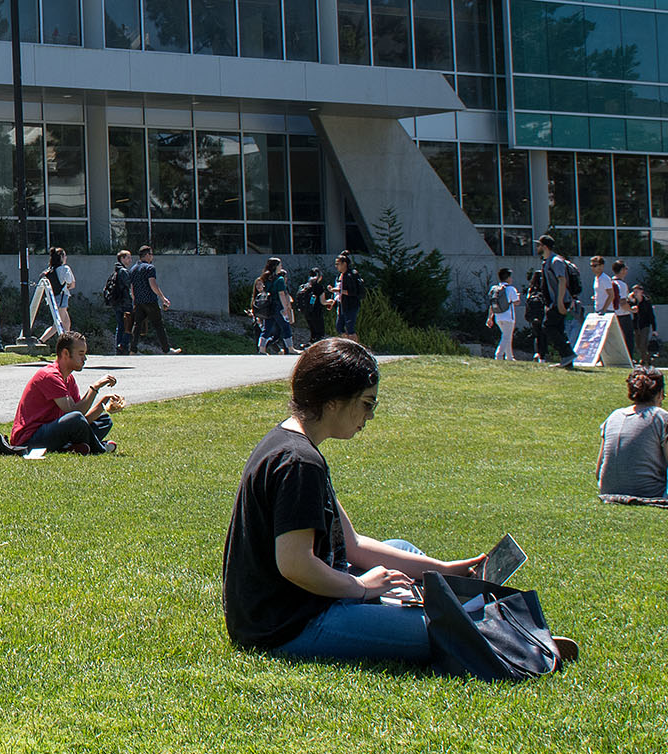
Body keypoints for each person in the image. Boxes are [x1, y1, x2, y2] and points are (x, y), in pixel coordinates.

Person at [221, 338, 577, 665]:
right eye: (366, 403)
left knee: (403, 550)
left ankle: (463, 609)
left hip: (293, 607)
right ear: (333, 400)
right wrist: (362, 588)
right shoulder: (299, 463)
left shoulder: (293, 443)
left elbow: (354, 545)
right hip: (287, 626)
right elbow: (295, 565)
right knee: (440, 630)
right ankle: (496, 634)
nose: (370, 416)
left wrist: (443, 569)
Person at [8, 331, 119, 454]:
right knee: (75, 419)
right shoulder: (49, 375)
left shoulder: (68, 379)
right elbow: (74, 413)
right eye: (81, 354)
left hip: (53, 431)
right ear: (66, 353)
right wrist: (94, 387)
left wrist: (102, 404)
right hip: (29, 439)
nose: (85, 359)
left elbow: (82, 417)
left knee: (104, 420)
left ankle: (71, 447)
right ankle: (99, 448)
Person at [598, 368, 667, 499]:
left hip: (608, 490)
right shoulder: (661, 417)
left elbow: (599, 470)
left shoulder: (614, 416)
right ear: (660, 394)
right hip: (650, 493)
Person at [129, 245, 181, 354]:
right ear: (147, 255)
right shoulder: (149, 268)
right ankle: (166, 349)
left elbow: (132, 287)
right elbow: (152, 284)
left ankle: (133, 350)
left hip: (139, 301)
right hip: (150, 300)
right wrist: (163, 298)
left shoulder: (133, 269)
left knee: (137, 325)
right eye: (151, 254)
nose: (152, 257)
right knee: (158, 324)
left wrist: (135, 300)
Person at [536, 236, 575, 366]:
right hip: (555, 301)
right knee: (558, 328)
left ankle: (568, 354)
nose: (537, 248)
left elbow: (562, 281)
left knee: (548, 326)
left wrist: (559, 302)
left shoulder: (556, 261)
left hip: (560, 301)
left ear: (545, 247)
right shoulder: (547, 261)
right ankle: (567, 360)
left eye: (539, 245)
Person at [34, 248, 75, 347]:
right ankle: (40, 341)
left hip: (53, 298)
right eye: (64, 256)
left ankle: (67, 344)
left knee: (66, 323)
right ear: (61, 257)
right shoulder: (65, 269)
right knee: (57, 324)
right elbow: (71, 284)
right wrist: (68, 286)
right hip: (62, 298)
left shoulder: (49, 270)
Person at [251, 258, 293, 355]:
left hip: (268, 306)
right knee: (285, 326)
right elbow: (281, 294)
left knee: (267, 328)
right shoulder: (280, 279)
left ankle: (261, 349)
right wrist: (285, 308)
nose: (281, 267)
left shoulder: (265, 278)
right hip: (278, 306)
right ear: (276, 266)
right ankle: (290, 348)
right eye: (280, 265)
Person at [323, 251, 363, 346]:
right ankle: (347, 345)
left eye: (338, 264)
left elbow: (352, 291)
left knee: (350, 328)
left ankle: (356, 346)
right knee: (339, 327)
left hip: (351, 305)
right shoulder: (340, 275)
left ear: (344, 264)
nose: (336, 266)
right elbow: (339, 291)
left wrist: (337, 290)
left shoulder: (350, 275)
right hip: (342, 305)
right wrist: (333, 296)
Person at [485, 267, 520, 361]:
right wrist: (518, 297)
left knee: (507, 336)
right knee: (506, 337)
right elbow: (516, 302)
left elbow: (492, 304)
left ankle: (509, 357)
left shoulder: (495, 289)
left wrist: (489, 318)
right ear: (508, 278)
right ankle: (499, 355)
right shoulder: (511, 289)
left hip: (498, 316)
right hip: (508, 317)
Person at [108, 249, 137, 354]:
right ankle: (123, 345)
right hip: (125, 302)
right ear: (122, 258)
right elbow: (129, 287)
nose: (130, 260)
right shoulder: (124, 272)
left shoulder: (116, 270)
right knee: (129, 325)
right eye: (128, 257)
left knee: (120, 325)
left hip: (117, 302)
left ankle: (119, 347)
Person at [294, 268, 327, 347]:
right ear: (320, 277)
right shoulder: (319, 287)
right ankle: (318, 347)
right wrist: (331, 302)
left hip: (307, 311)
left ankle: (311, 344)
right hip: (316, 311)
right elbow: (323, 301)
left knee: (313, 330)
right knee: (320, 332)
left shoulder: (305, 286)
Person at [611, 260, 636, 359]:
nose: (626, 271)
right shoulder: (621, 285)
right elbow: (622, 303)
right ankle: (628, 359)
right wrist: (632, 310)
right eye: (625, 268)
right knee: (628, 338)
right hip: (622, 315)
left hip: (612, 315)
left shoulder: (609, 282)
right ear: (621, 270)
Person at [630, 282, 655, 367]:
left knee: (643, 343)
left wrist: (654, 329)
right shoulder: (633, 301)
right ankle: (648, 359)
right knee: (638, 345)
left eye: (637, 291)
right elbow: (626, 304)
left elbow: (651, 315)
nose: (635, 293)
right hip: (636, 326)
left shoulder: (646, 302)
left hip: (645, 325)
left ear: (641, 292)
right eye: (634, 291)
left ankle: (643, 361)